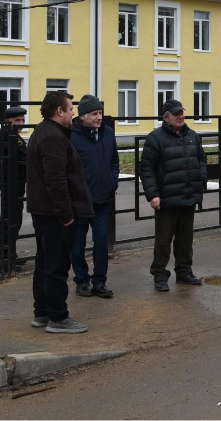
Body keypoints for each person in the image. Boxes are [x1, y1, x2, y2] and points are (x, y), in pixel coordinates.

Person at [25, 91, 94, 334]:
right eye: (70, 108)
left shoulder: (43, 131)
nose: (73, 112)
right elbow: (56, 181)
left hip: (44, 211)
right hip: (55, 214)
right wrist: (66, 215)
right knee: (56, 266)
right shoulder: (53, 137)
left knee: (45, 263)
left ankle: (42, 313)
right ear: (59, 111)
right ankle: (58, 318)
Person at [140, 99, 207, 291]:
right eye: (176, 114)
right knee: (163, 239)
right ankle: (160, 275)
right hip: (167, 198)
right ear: (166, 117)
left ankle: (184, 272)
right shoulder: (155, 138)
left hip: (189, 195)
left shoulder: (192, 136)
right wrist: (153, 194)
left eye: (181, 113)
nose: (180, 116)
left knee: (185, 239)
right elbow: (146, 169)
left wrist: (201, 179)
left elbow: (202, 160)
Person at [69, 95, 119, 299]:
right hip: (80, 202)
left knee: (101, 242)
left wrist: (111, 181)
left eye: (100, 113)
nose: (99, 117)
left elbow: (114, 161)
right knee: (77, 243)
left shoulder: (107, 133)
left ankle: (100, 281)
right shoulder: (71, 136)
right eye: (95, 114)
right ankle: (81, 280)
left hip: (103, 200)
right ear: (82, 117)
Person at [0, 106, 28, 270]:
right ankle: (6, 258)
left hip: (14, 182)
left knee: (13, 219)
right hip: (11, 183)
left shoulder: (12, 134)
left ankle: (10, 254)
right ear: (7, 121)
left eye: (22, 120)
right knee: (11, 219)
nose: (21, 123)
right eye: (17, 120)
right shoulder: (9, 135)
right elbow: (25, 155)